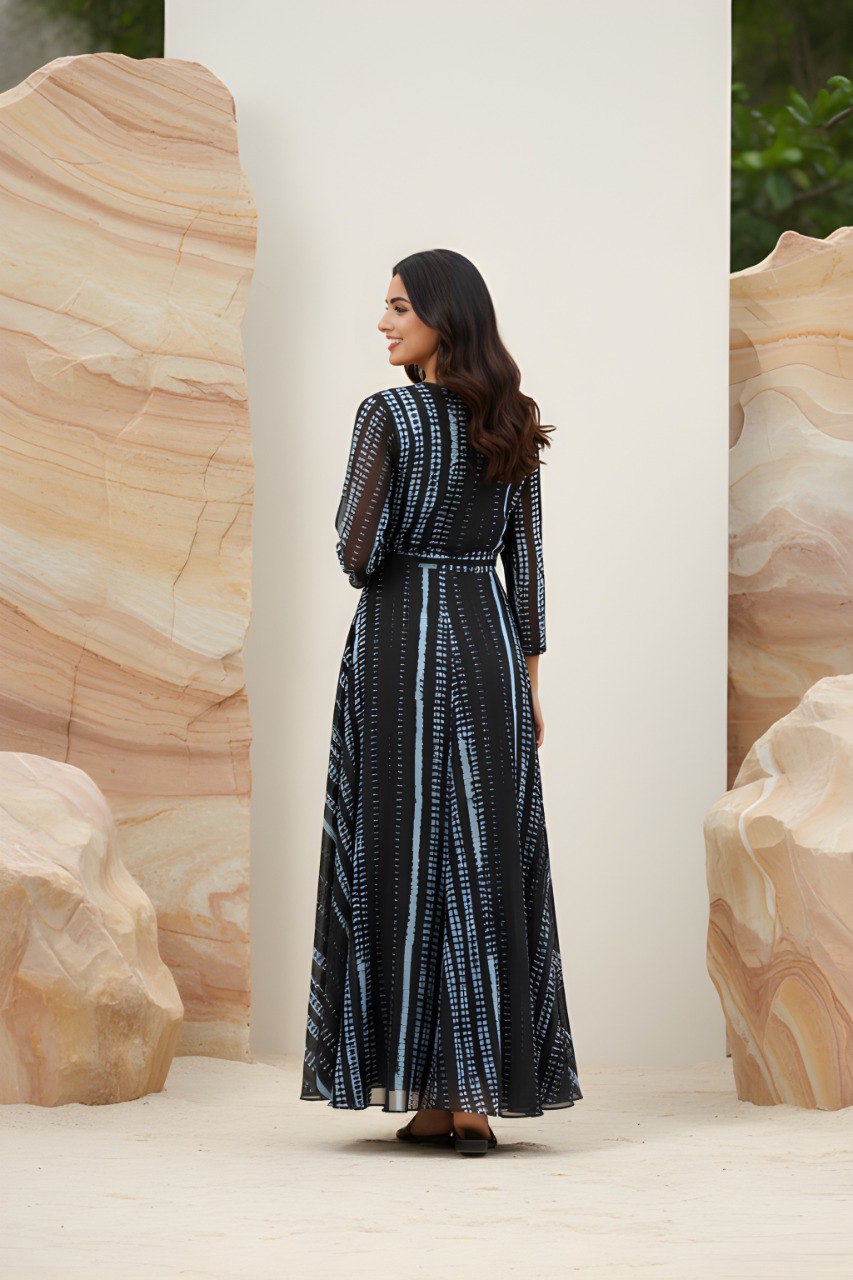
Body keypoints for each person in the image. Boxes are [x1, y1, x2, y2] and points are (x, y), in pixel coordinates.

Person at [300, 248, 583, 1158]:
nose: (382, 323)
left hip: (398, 646)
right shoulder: (513, 420)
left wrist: (384, 510)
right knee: (483, 855)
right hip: (488, 648)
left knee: (400, 855)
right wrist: (528, 690)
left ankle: (420, 1082)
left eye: (398, 307)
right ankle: (460, 1097)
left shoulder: (386, 415)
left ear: (440, 317)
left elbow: (356, 553)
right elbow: (526, 569)